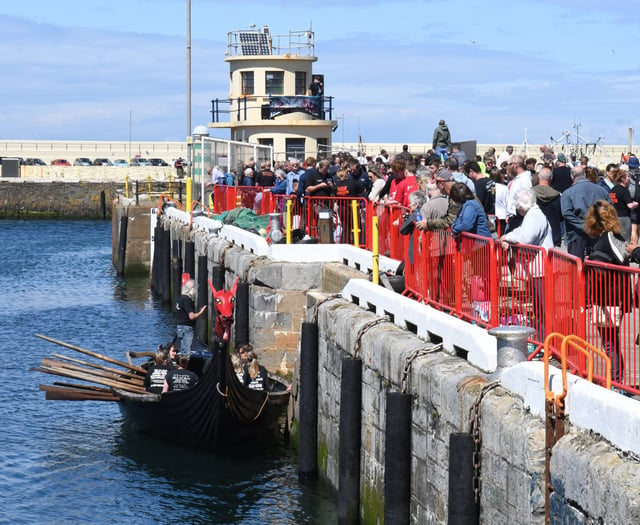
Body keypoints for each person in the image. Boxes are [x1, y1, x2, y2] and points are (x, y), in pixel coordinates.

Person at [584, 201, 631, 388]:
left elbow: (599, 275)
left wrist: (588, 265)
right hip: (617, 297)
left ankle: (615, 382)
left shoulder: (602, 242)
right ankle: (617, 381)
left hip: (606, 299)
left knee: (610, 344)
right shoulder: (616, 237)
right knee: (613, 343)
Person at [561, 166, 610, 259]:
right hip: (597, 231)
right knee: (598, 263)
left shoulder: (568, 193)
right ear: (584, 174)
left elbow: (566, 213)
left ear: (572, 176)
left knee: (576, 265)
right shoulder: (601, 190)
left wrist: (584, 225)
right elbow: (609, 208)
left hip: (577, 234)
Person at [175, 279, 207, 354]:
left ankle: (182, 363)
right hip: (187, 328)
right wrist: (201, 312)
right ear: (191, 290)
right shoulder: (187, 300)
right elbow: (191, 316)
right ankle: (185, 364)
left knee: (183, 350)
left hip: (180, 327)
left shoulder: (179, 299)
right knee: (187, 352)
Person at [533, 166, 563, 247]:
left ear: (539, 176)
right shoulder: (558, 196)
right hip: (553, 236)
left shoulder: (530, 194)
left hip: (534, 234)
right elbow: (561, 216)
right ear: (551, 178)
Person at [609, 168, 638, 242]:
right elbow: (630, 205)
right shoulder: (624, 190)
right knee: (625, 240)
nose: (629, 179)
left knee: (616, 241)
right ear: (622, 179)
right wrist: (636, 203)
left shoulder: (612, 189)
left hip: (614, 217)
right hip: (624, 218)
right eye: (628, 177)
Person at [400, 190, 427, 265]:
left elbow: (402, 230)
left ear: (416, 205)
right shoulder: (427, 211)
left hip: (416, 250)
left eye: (410, 203)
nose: (408, 205)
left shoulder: (414, 215)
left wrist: (407, 220)